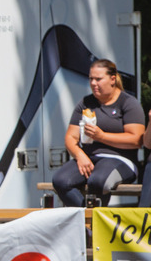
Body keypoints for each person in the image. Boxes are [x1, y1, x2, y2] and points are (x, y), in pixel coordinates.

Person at [52, 59, 145, 207]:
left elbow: (136, 140)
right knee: (60, 180)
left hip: (121, 159)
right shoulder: (85, 103)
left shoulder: (128, 103)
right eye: (91, 79)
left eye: (98, 79)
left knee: (97, 181)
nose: (93, 83)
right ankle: (87, 218)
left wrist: (101, 136)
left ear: (112, 79)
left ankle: (94, 219)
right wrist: (80, 155)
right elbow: (70, 137)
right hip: (89, 158)